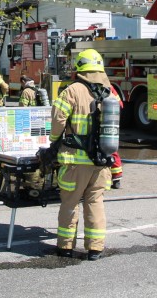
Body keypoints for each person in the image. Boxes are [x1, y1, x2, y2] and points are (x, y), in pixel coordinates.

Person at [49, 48, 114, 261]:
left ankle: (66, 246)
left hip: (75, 162)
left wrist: (54, 140)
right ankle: (95, 248)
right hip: (102, 162)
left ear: (79, 68)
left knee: (70, 203)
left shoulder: (72, 90)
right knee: (95, 203)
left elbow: (58, 119)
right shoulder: (109, 92)